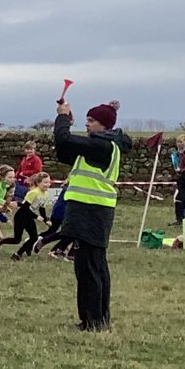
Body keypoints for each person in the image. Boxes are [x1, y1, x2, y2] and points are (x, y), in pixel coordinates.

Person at [51, 98, 130, 332]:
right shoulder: (101, 145)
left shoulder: (102, 147)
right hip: (91, 210)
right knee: (93, 266)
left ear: (104, 125)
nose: (87, 124)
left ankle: (93, 321)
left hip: (91, 210)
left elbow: (63, 139)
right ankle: (97, 319)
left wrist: (63, 117)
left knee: (89, 268)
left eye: (91, 120)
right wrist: (67, 124)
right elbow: (65, 149)